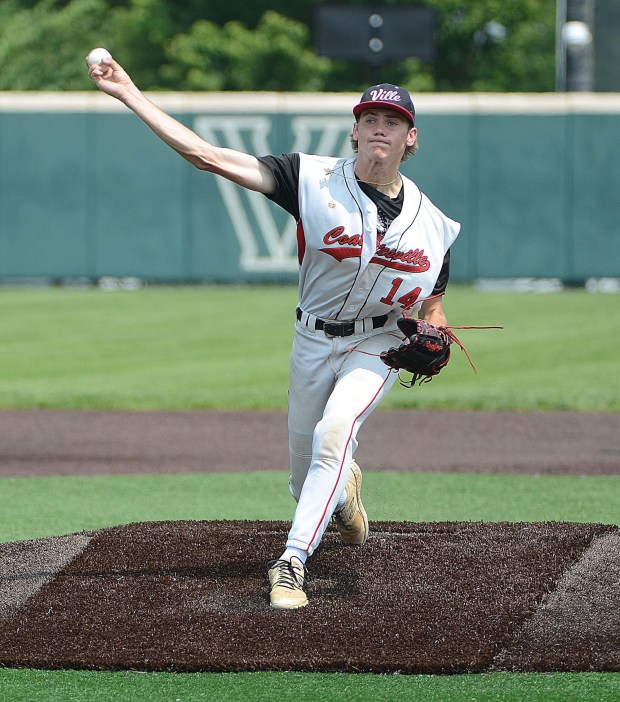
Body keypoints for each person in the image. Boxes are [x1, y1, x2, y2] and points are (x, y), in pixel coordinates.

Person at [87, 55, 460, 610]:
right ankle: (342, 495)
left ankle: (290, 563)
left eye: (393, 120)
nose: (380, 126)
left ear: (411, 138)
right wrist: (129, 93)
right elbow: (206, 156)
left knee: (336, 430)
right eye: (370, 117)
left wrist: (435, 336)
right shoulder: (309, 179)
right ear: (354, 130)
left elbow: (434, 308)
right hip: (312, 339)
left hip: (377, 343)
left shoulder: (435, 226)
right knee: (304, 473)